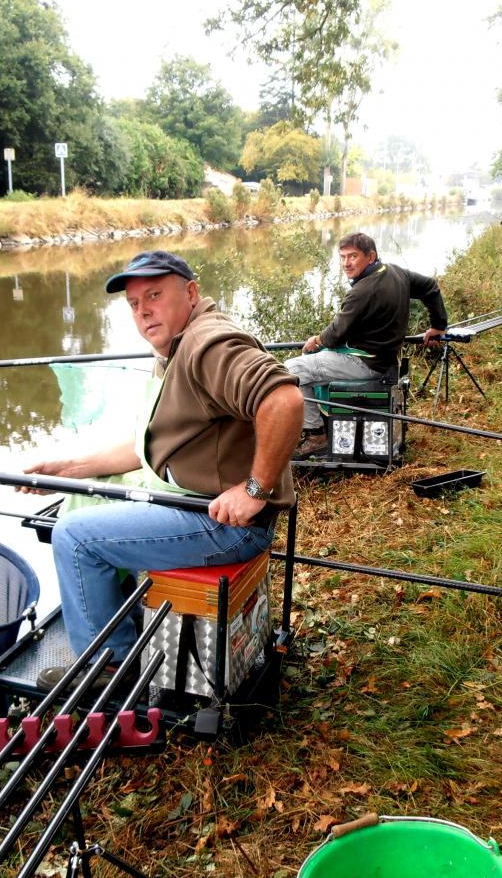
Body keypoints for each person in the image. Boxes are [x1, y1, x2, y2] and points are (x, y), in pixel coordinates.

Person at [20, 250, 304, 688]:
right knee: (92, 492)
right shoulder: (175, 344)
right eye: (134, 304)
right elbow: (147, 449)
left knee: (74, 537)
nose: (143, 311)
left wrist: (254, 489)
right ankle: (120, 624)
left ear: (190, 292)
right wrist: (71, 467)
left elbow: (284, 400)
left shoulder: (205, 345)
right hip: (194, 499)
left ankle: (109, 668)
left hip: (224, 523)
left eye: (154, 295)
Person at [287, 232, 447, 458]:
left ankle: (315, 436)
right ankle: (322, 423)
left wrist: (316, 340)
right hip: (385, 359)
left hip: (365, 363)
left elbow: (333, 335)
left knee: (292, 370)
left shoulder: (362, 291)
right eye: (342, 257)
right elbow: (430, 286)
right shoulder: (395, 272)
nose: (346, 263)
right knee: (305, 368)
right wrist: (439, 325)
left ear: (371, 256)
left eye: (353, 256)